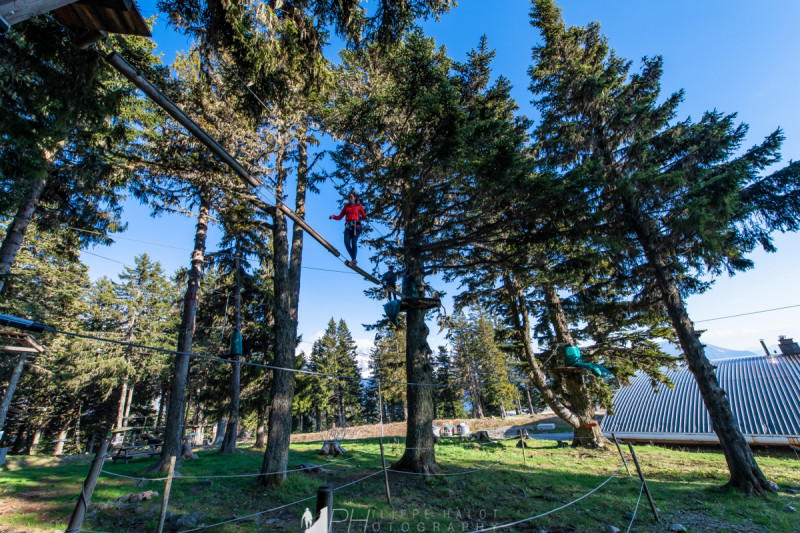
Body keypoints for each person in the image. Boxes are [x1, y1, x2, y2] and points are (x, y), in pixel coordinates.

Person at [330, 191, 368, 264]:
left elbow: (363, 215)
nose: (350, 199)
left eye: (351, 197)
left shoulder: (359, 206)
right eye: (349, 197)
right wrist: (333, 216)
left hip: (357, 226)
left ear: (355, 198)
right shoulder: (346, 207)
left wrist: (365, 218)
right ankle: (354, 258)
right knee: (346, 243)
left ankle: (353, 259)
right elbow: (339, 217)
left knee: (353, 241)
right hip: (348, 226)